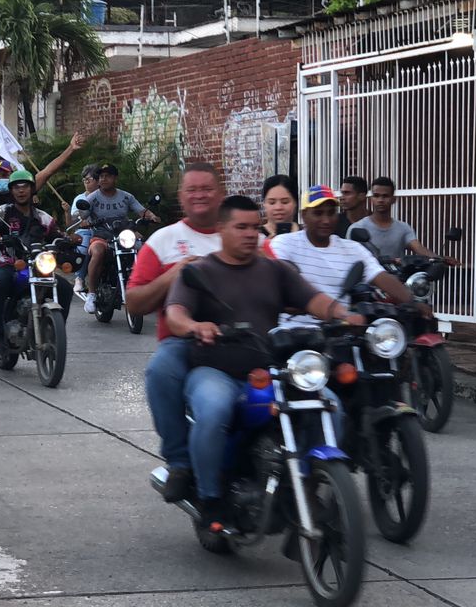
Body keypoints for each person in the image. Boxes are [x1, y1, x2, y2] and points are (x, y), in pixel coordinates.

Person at [164, 195, 362, 528]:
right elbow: (176, 315)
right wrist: (196, 326)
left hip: (270, 368)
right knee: (212, 411)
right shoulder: (199, 271)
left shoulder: (274, 270)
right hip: (216, 369)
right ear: (222, 229)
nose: (249, 234)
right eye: (240, 227)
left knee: (330, 407)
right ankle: (210, 498)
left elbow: (312, 298)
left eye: (254, 227)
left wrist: (342, 314)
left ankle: (306, 484)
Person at [128, 162, 225, 502]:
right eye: (192, 190)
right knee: (160, 371)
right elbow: (134, 302)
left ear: (220, 193)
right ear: (182, 197)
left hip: (242, 341)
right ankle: (180, 462)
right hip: (182, 341)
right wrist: (174, 275)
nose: (200, 195)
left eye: (207, 189)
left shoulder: (243, 234)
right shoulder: (163, 240)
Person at [0, 124, 85, 281]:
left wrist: (71, 149)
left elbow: (48, 171)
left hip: (28, 249)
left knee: (62, 287)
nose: (21, 191)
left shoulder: (36, 210)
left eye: (5, 175)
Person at [267, 185, 419, 327]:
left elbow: (381, 277)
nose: (326, 220)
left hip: (340, 331)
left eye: (331, 213)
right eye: (318, 213)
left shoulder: (352, 248)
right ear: (304, 215)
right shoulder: (284, 243)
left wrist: (413, 303)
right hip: (296, 333)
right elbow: (283, 281)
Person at [0, 170, 75, 341]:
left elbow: (57, 234)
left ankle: (55, 330)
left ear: (32, 190)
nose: (21, 191)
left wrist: (69, 239)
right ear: (11, 191)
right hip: (11, 265)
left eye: (25, 187)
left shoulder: (42, 217)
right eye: (17, 187)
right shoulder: (2, 213)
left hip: (38, 265)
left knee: (65, 288)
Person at [83, 163, 160, 313]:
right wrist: (84, 219)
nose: (104, 179)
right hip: (102, 235)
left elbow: (141, 211)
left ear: (115, 178)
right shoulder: (92, 198)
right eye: (101, 176)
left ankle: (149, 289)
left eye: (108, 176)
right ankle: (91, 294)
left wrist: (152, 216)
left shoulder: (126, 196)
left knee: (146, 249)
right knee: (97, 252)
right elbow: (82, 216)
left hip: (124, 234)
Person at [351, 177, 454, 263]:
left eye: (385, 196)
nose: (380, 200)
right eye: (376, 196)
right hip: (366, 284)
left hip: (397, 280)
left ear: (393, 199)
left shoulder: (403, 228)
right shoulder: (358, 228)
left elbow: (418, 248)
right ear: (371, 199)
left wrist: (439, 259)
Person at [71, 164, 100, 293]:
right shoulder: (80, 198)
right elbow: (74, 217)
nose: (86, 182)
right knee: (84, 247)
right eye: (84, 180)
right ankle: (80, 278)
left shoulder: (107, 195)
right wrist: (80, 219)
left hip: (105, 231)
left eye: (89, 179)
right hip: (87, 231)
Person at [259, 174, 299, 240]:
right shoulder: (256, 237)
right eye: (272, 203)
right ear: (264, 204)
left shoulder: (308, 235)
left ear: (295, 203)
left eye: (285, 202)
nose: (278, 207)